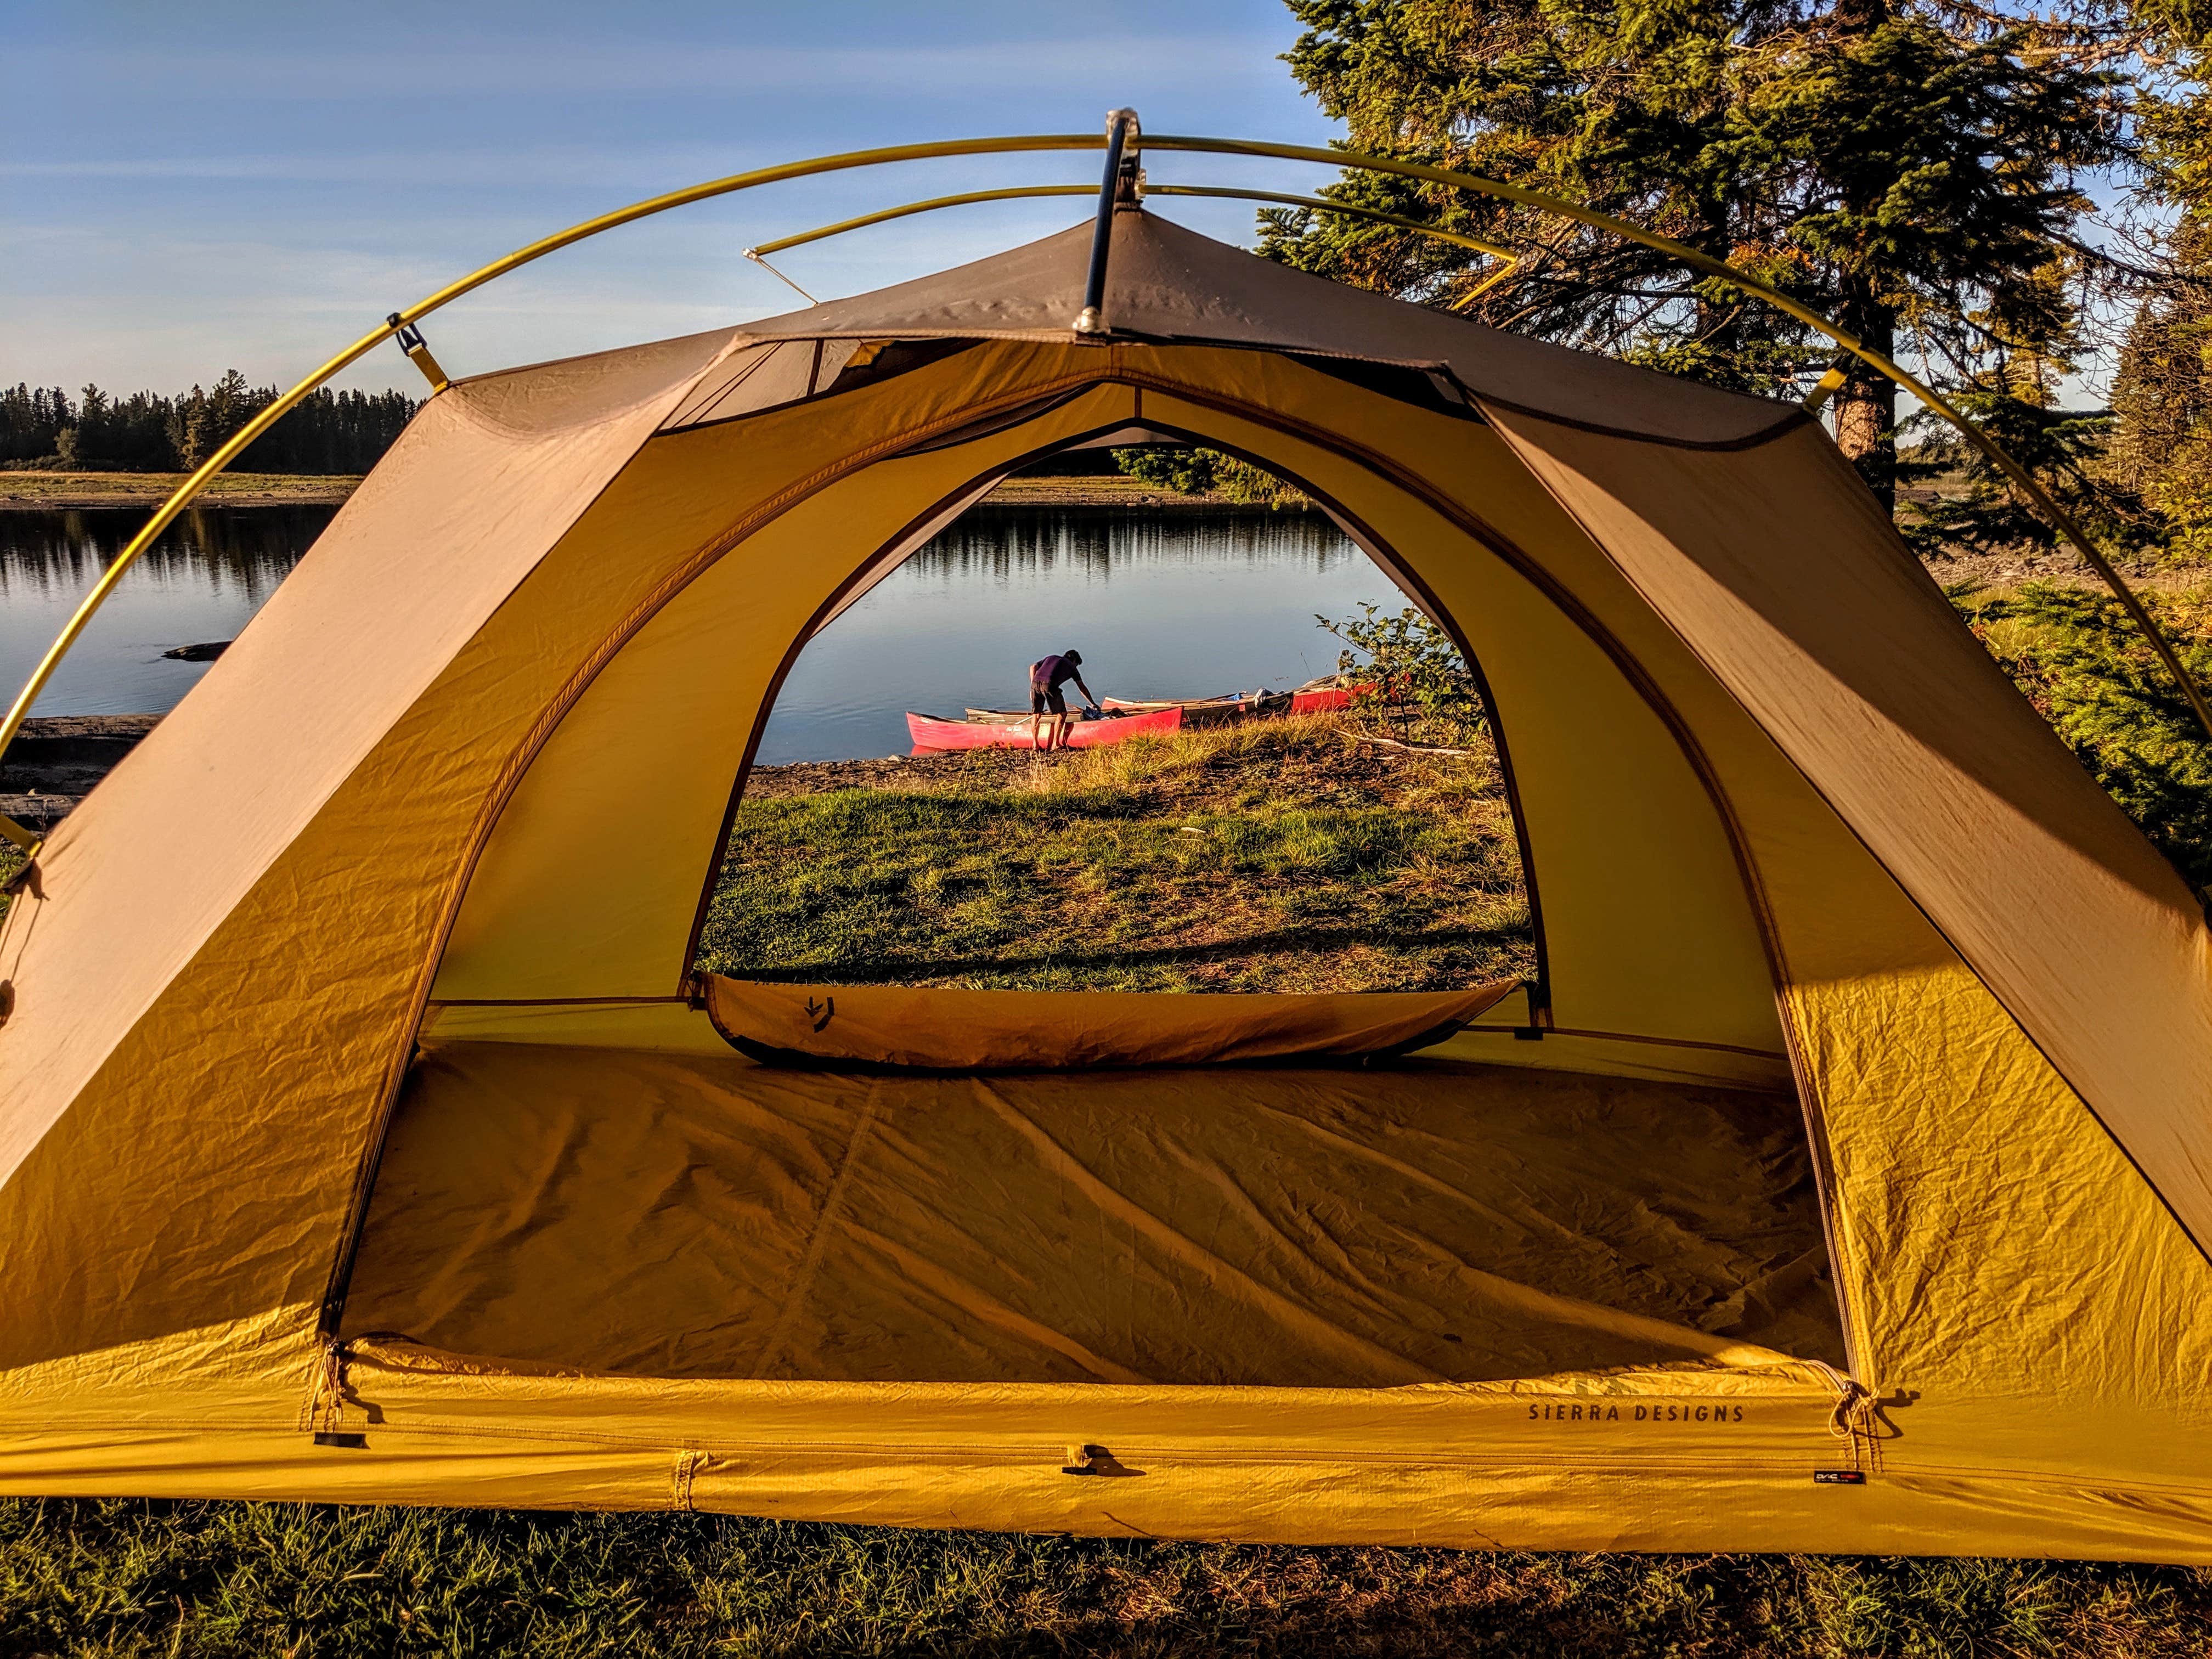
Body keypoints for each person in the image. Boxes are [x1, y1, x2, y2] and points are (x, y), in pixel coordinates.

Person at [1028, 649, 1099, 752]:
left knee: (1036, 714)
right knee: (1062, 713)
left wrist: (1032, 686)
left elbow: (1033, 667)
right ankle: (1055, 744)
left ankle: (1035, 745)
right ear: (1074, 661)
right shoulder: (1072, 667)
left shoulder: (1051, 657)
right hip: (1049, 685)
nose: (1076, 667)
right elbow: (1082, 688)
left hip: (1035, 684)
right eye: (1077, 664)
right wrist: (1092, 703)